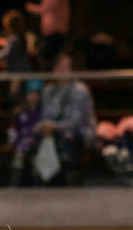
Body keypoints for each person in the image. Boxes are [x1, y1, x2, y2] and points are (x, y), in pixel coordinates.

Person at [37, 52, 96, 186]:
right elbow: (46, 116)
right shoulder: (48, 90)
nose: (62, 71)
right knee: (35, 138)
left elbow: (75, 122)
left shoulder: (80, 90)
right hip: (54, 131)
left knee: (66, 138)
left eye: (66, 67)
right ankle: (43, 183)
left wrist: (54, 126)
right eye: (59, 67)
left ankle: (69, 183)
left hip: (79, 131)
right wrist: (45, 126)